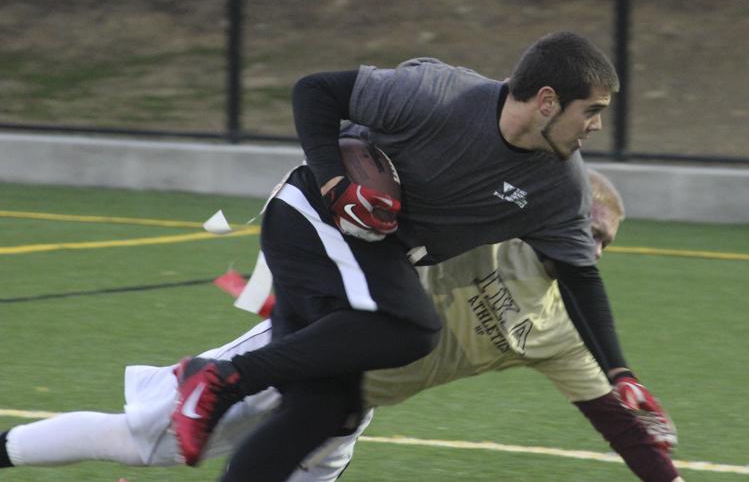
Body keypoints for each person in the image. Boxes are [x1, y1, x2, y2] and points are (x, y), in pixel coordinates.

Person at [171, 31, 666, 482]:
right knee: (414, 329)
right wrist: (334, 182)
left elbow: (581, 278)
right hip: (311, 216)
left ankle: (218, 381)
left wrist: (620, 374)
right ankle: (221, 378)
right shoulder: (439, 94)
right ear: (547, 102)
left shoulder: (560, 187)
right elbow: (314, 91)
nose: (597, 126)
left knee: (324, 406)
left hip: (370, 254)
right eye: (591, 109)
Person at [0, 169, 682, 481]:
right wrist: (273, 291)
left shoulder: (564, 328)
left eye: (606, 243)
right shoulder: (483, 234)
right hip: (300, 353)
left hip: (349, 408)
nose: (592, 247)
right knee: (142, 444)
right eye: (588, 228)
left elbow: (616, 419)